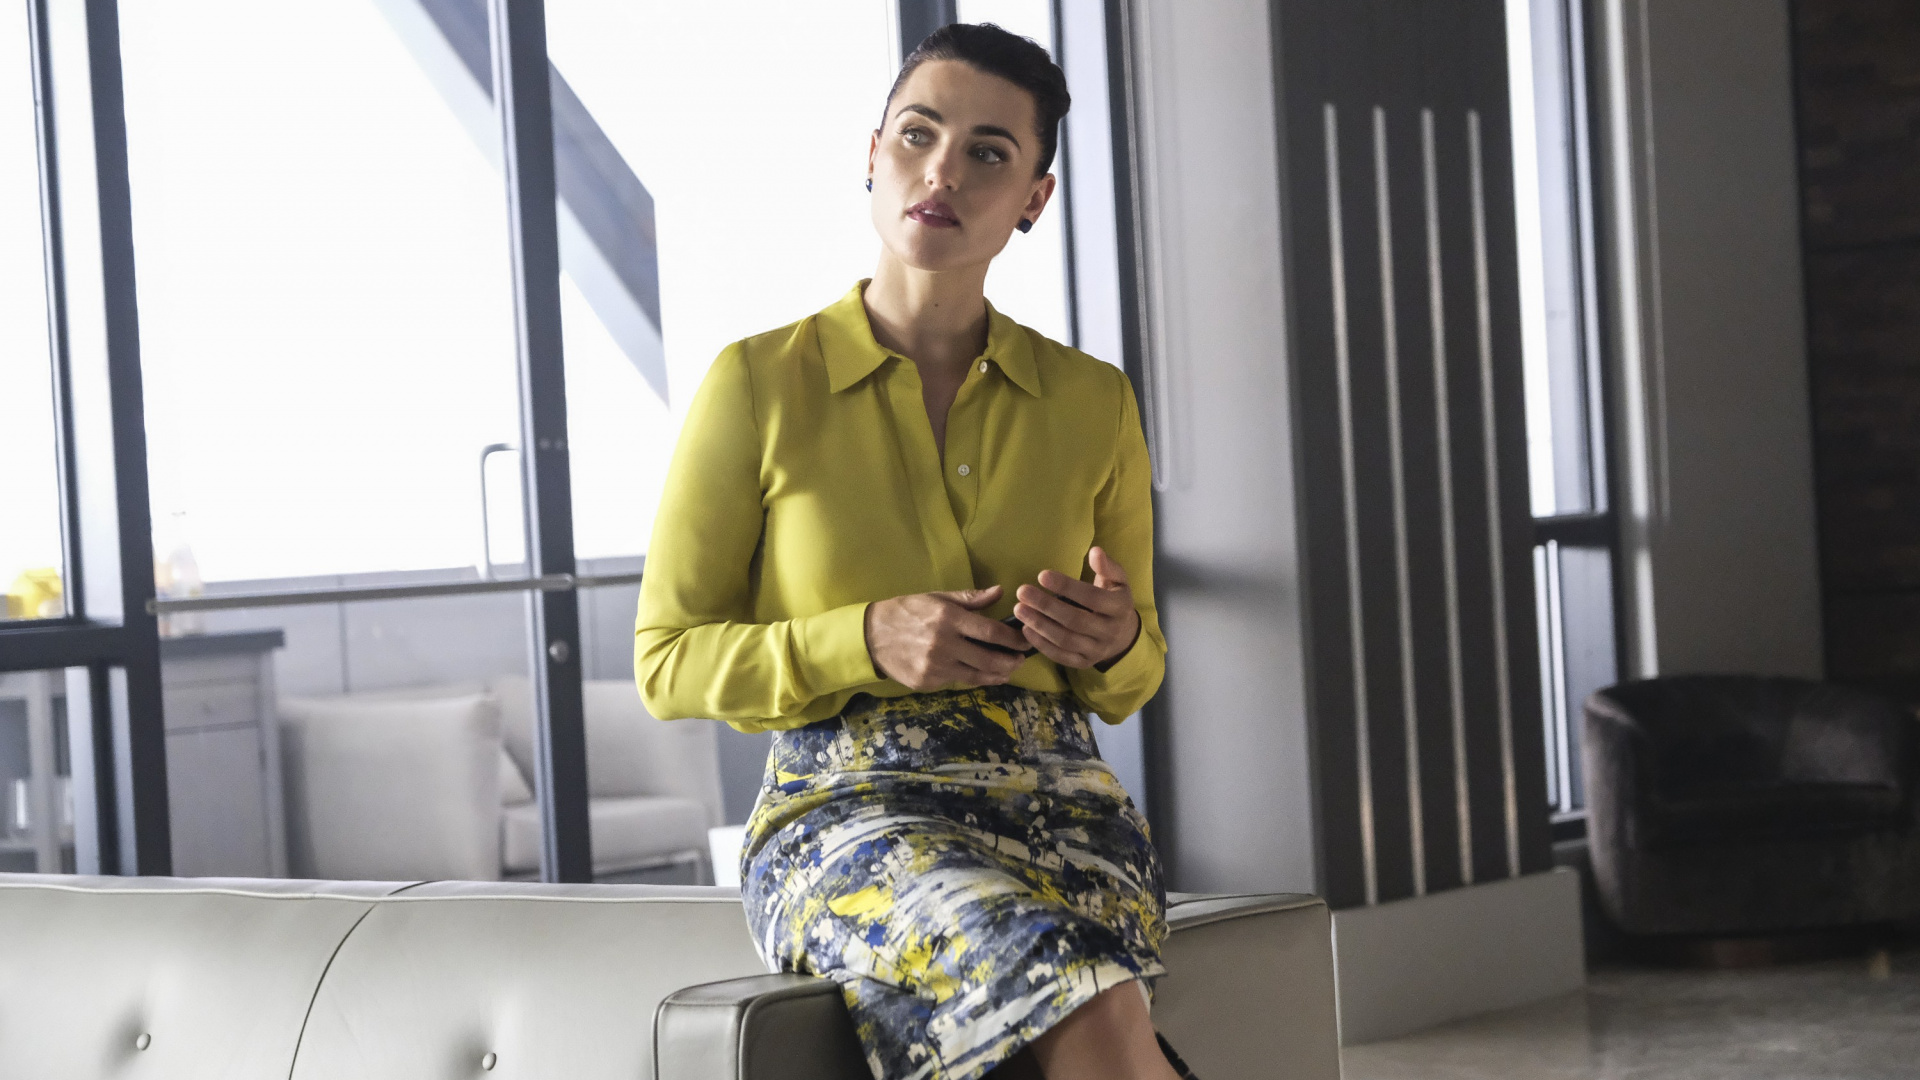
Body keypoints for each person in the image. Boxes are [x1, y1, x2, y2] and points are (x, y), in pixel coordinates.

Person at [635, 23, 1190, 1080]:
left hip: (1065, 802)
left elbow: (1134, 672)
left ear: (1035, 197)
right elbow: (668, 659)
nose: (941, 171)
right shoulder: (757, 384)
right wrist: (864, 640)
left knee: (1080, 1001)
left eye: (988, 152)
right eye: (917, 136)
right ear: (874, 152)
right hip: (844, 811)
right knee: (1088, 1001)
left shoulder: (1092, 399)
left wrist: (1112, 639)